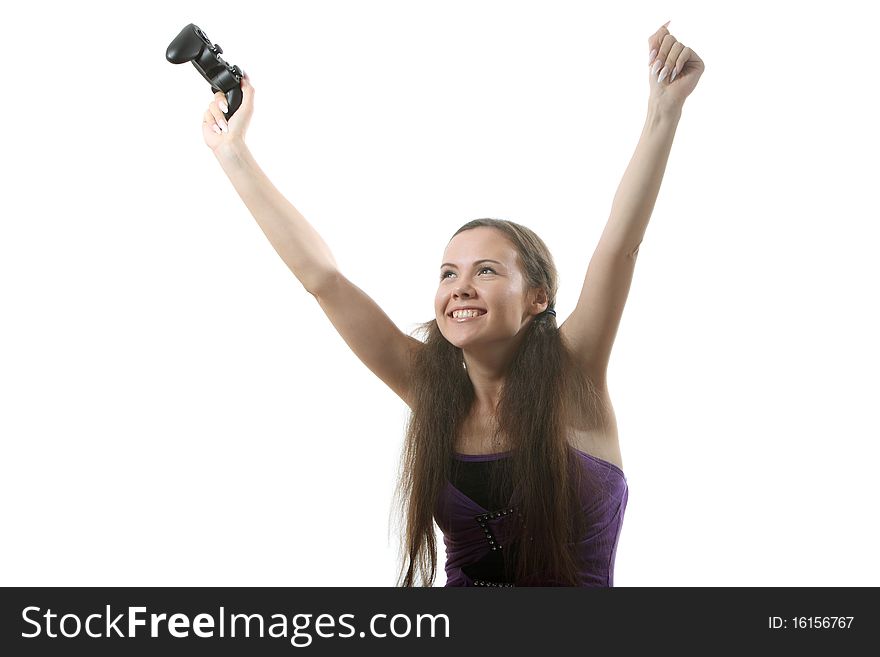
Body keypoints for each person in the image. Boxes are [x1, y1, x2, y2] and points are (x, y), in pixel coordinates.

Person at [200, 22, 704, 586]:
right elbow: (325, 280)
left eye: (486, 271)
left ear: (538, 298)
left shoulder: (575, 373)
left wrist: (664, 110)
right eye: (448, 273)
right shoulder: (429, 385)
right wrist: (233, 153)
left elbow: (620, 244)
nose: (459, 288)